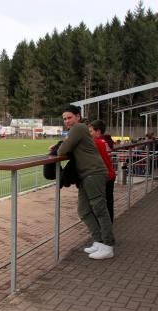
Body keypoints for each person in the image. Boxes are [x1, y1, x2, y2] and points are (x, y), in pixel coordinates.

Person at [57, 105, 115, 260]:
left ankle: (108, 245)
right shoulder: (78, 130)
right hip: (86, 175)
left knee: (100, 209)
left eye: (69, 117)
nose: (67, 121)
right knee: (83, 210)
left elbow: (62, 150)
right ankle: (99, 240)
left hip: (93, 173)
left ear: (77, 117)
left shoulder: (79, 128)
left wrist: (60, 145)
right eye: (64, 118)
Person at [88, 120, 116, 222]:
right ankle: (110, 223)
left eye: (91, 131)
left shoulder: (97, 142)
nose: (89, 134)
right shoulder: (107, 141)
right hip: (110, 175)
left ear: (98, 131)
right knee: (109, 201)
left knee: (101, 204)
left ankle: (104, 228)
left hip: (104, 177)